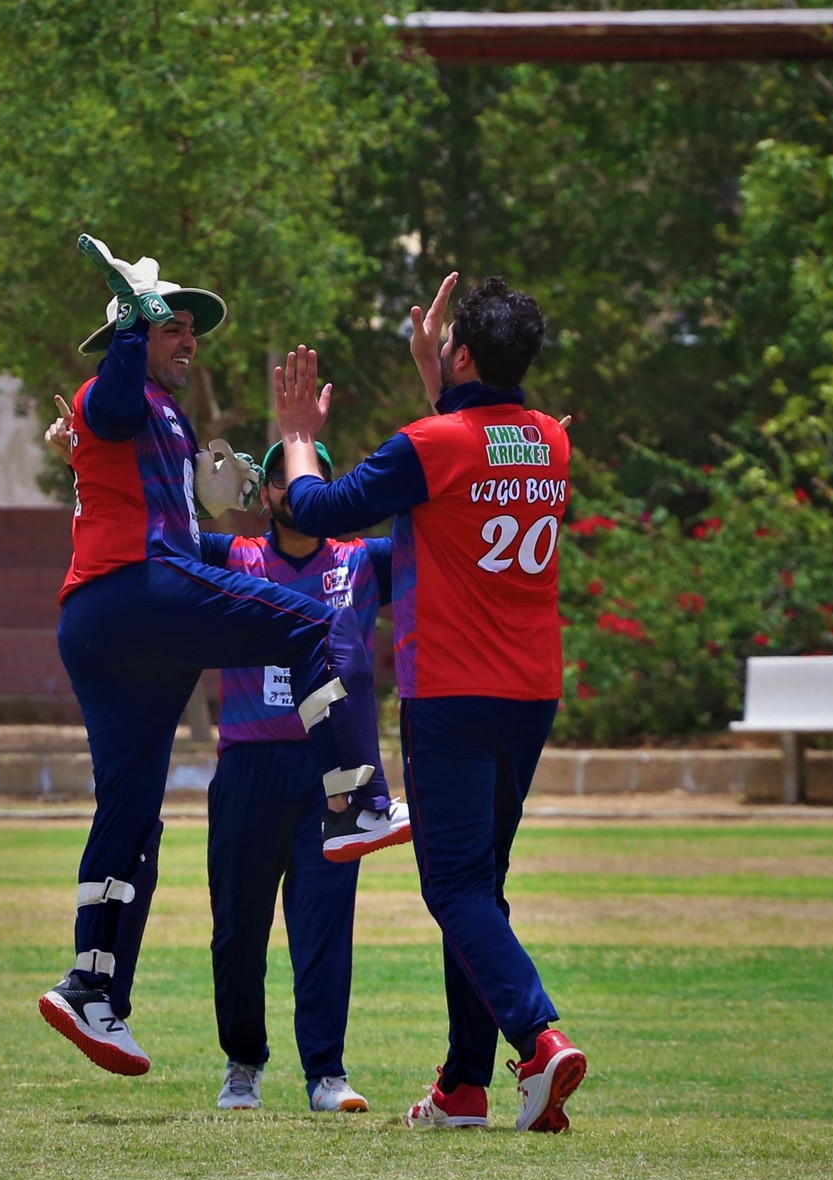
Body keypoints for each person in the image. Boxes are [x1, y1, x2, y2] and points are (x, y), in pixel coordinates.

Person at [38, 235, 409, 1083]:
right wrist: (130, 327)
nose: (188, 338)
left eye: (188, 329)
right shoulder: (115, 388)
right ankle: (355, 802)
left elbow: (119, 463)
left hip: (101, 624)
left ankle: (92, 985)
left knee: (131, 814)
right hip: (137, 594)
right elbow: (110, 406)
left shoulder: (156, 416)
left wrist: (101, 456)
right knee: (320, 628)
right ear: (134, 330)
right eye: (171, 326)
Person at [271, 273, 587, 1133]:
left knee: (453, 888)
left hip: (452, 691)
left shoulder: (433, 440)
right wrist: (440, 379)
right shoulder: (550, 441)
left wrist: (297, 437)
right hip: (529, 692)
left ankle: (539, 1039)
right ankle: (463, 1088)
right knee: (479, 888)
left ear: (465, 355)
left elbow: (318, 509)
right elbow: (476, 450)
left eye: (448, 344)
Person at [197, 440, 391, 1114]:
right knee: (236, 928)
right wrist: (198, 503)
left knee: (324, 927)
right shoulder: (232, 556)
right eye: (276, 478)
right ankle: (242, 1064)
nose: (288, 487)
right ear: (265, 491)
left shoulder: (362, 562)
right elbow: (150, 546)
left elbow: (444, 538)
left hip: (330, 772)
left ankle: (326, 1074)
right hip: (247, 766)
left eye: (303, 478)